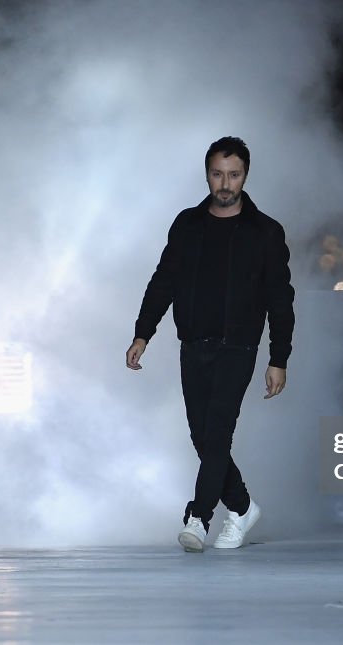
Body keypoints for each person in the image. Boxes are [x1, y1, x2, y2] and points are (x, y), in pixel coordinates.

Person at [126, 136, 295, 552]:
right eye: (218, 174)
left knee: (217, 434)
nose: (225, 183)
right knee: (204, 438)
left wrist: (279, 358)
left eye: (233, 175)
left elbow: (280, 298)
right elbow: (163, 280)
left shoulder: (266, 232)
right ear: (207, 174)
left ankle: (198, 517)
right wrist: (143, 332)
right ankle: (241, 507)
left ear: (245, 176)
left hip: (239, 348)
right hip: (193, 344)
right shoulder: (187, 224)